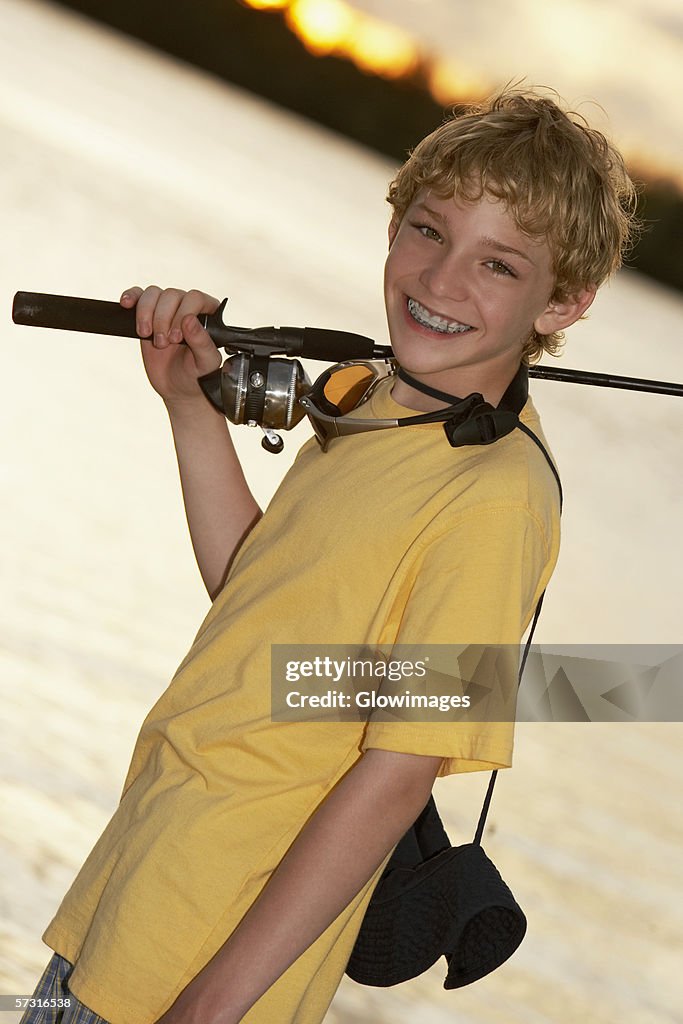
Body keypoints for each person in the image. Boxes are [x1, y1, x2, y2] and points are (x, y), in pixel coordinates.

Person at [23, 88, 638, 1024]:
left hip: (199, 982)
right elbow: (255, 599)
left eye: (498, 264)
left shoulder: (496, 499)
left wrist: (209, 1007)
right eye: (428, 231)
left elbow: (397, 774)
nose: (439, 283)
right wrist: (189, 407)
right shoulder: (375, 404)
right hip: (133, 904)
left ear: (564, 299)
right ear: (393, 223)